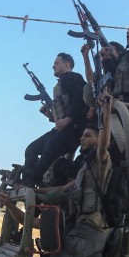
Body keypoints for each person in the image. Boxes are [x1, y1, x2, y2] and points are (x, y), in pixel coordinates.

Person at [30, 91, 115, 257]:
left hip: (91, 228)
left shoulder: (100, 162)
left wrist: (107, 114)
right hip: (86, 228)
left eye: (87, 135)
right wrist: (35, 192)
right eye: (82, 135)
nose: (82, 138)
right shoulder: (84, 169)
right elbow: (63, 191)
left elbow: (104, 145)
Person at [22, 53, 88, 187]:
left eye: (56, 63)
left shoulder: (73, 78)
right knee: (31, 149)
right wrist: (50, 115)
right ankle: (31, 180)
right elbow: (62, 114)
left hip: (73, 130)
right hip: (61, 130)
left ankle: (31, 182)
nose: (53, 66)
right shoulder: (61, 83)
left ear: (67, 64)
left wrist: (69, 119)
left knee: (49, 149)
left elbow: (81, 101)